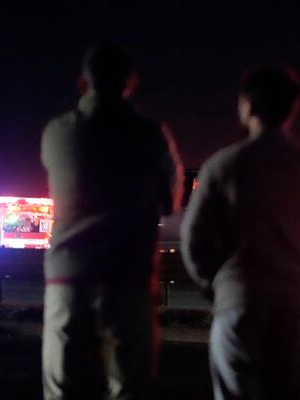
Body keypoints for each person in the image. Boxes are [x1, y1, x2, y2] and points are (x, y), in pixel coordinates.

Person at [181, 66, 300, 400]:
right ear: (294, 108)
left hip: (239, 303)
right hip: (297, 306)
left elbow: (194, 239)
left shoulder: (222, 166)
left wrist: (217, 285)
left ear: (246, 107)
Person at [41, 43, 183, 400]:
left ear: (81, 83)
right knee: (131, 386)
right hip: (128, 277)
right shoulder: (150, 136)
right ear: (130, 83)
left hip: (67, 278)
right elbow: (169, 203)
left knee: (64, 387)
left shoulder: (57, 133)